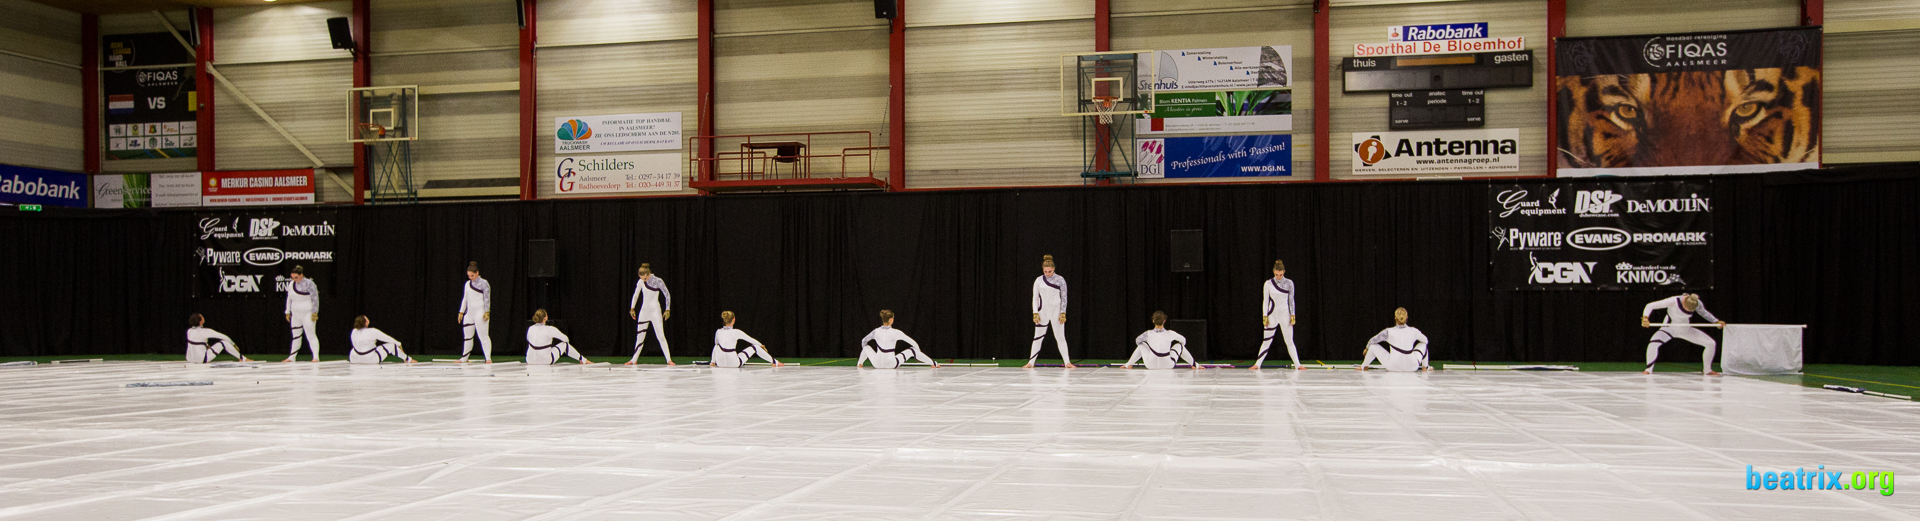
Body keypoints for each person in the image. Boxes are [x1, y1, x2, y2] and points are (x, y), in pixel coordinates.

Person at [1640, 293, 1726, 375]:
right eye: (1687, 308)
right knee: (1653, 343)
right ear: (1684, 302)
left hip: (1685, 329)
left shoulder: (1697, 303)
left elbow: (1704, 313)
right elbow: (1650, 305)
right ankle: (1648, 369)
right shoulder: (1673, 301)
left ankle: (1707, 370)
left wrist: (1716, 322)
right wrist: (1645, 318)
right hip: (1669, 329)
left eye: (1691, 310)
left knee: (1711, 343)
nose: (1689, 311)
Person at [1026, 254, 1075, 368]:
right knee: (1037, 338)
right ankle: (1031, 362)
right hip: (1042, 312)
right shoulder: (1039, 280)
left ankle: (1067, 362)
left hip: (1056, 312)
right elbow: (1035, 298)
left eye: (1050, 271)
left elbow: (1064, 297)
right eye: (1045, 271)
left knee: (1060, 337)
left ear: (1054, 269)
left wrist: (1063, 312)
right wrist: (1035, 312)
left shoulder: (1060, 280)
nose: (1047, 274)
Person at [1253, 259, 1301, 370]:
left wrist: (1293, 315)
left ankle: (1298, 364)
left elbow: (1291, 300)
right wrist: (1265, 316)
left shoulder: (1289, 283)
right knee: (1266, 341)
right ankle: (1257, 364)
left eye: (1280, 275)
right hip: (1272, 315)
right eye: (1276, 275)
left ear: (1284, 271)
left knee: (1289, 341)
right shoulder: (1268, 283)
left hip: (1285, 315)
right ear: (1274, 272)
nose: (1278, 277)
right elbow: (1265, 301)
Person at [626, 263, 674, 365]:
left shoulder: (658, 281)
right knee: (640, 336)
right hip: (644, 311)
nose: (644, 280)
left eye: (645, 278)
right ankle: (634, 359)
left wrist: (667, 309)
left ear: (648, 274)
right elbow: (636, 295)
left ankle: (668, 359)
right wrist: (632, 308)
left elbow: (667, 294)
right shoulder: (641, 282)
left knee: (660, 335)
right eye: (641, 278)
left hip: (655, 311)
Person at [857, 310, 938, 369]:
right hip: (891, 364)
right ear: (891, 320)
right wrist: (918, 352)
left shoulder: (876, 331)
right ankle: (933, 363)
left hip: (877, 364)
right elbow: (913, 343)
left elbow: (863, 341)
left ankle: (859, 363)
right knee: (912, 350)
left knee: (866, 347)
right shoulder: (896, 332)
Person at [1359, 308, 1431, 372]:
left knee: (1372, 346)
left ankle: (1364, 366)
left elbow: (1373, 340)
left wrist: (1367, 348)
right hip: (1412, 366)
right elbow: (1425, 340)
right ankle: (1425, 367)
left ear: (1395, 318)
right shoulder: (1414, 331)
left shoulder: (1388, 332)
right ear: (1407, 317)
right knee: (1423, 344)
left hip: (1393, 366)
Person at [1125, 311, 1198, 370]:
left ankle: (1129, 364)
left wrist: (1149, 348)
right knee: (1180, 345)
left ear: (1153, 321)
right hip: (1168, 364)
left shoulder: (1148, 333)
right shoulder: (1171, 333)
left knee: (1142, 345)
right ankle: (1194, 364)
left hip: (1150, 365)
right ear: (1164, 321)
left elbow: (1137, 341)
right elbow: (1183, 340)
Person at [711, 311, 782, 368]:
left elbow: (716, 347)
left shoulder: (718, 331)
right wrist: (760, 345)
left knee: (717, 345)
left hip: (720, 363)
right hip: (733, 363)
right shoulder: (736, 332)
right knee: (755, 347)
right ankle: (775, 362)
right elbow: (750, 339)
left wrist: (713, 361)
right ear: (734, 320)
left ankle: (713, 362)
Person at [282, 265, 321, 362]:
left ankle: (315, 357)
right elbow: (289, 298)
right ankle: (292, 357)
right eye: (292, 278)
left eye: (296, 277)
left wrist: (315, 312)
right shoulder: (291, 284)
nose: (294, 280)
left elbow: (315, 298)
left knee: (311, 335)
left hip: (307, 313)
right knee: (296, 336)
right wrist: (287, 311)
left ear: (301, 275)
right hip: (296, 314)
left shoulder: (310, 284)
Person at [457, 261, 493, 363]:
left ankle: (488, 358)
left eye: (472, 275)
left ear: (477, 273)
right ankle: (464, 357)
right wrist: (461, 312)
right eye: (469, 276)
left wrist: (487, 311)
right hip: (469, 313)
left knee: (483, 336)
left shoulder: (484, 283)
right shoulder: (467, 284)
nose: (470, 278)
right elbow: (465, 298)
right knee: (467, 337)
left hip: (480, 313)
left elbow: (487, 298)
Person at [527, 309, 591, 365]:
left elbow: (528, 339)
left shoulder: (530, 328)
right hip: (545, 361)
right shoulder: (550, 329)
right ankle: (583, 360)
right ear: (545, 318)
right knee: (565, 344)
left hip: (530, 360)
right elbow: (566, 339)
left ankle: (534, 357)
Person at [348, 316, 417, 364]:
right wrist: (398, 344)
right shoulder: (372, 331)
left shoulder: (354, 331)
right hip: (370, 359)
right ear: (366, 322)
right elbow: (387, 338)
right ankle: (408, 359)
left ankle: (360, 357)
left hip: (354, 359)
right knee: (392, 345)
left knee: (355, 348)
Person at [186, 313, 250, 363]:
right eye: (202, 316)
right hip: (202, 360)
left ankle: (241, 358)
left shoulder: (189, 331)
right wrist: (233, 344)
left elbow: (198, 341)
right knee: (224, 343)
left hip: (189, 359)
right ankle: (243, 358)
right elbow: (224, 337)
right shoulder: (205, 331)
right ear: (201, 321)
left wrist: (207, 346)